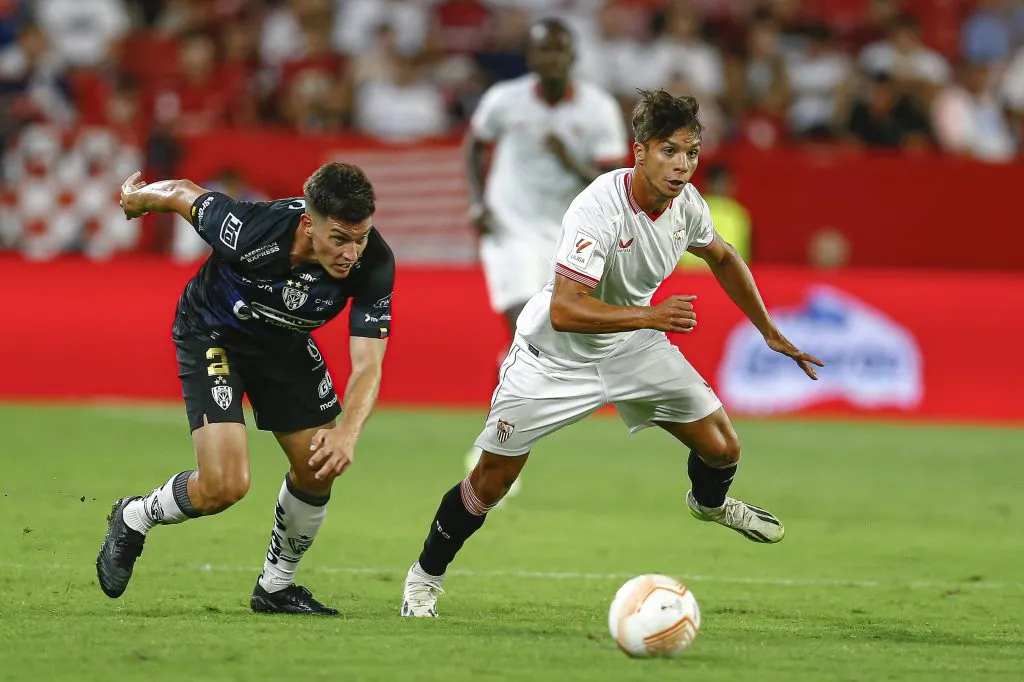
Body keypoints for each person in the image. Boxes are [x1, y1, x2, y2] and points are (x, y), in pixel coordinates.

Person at [400, 90, 824, 618]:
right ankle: (423, 579)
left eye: (691, 153)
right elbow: (565, 310)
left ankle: (709, 504)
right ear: (639, 151)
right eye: (669, 151)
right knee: (491, 482)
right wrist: (651, 315)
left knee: (722, 448)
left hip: (631, 347)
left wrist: (768, 330)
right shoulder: (597, 209)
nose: (682, 165)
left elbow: (723, 255)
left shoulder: (687, 206)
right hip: (553, 356)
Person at [96, 163, 394, 616]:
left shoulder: (374, 262)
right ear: (308, 225)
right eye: (340, 239)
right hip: (214, 336)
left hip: (283, 346)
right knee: (224, 486)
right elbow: (181, 193)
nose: (352, 253)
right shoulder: (250, 230)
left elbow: (368, 365)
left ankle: (276, 587)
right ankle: (135, 515)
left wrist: (347, 433)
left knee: (319, 465)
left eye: (361, 237)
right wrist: (137, 200)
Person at [466, 17, 628, 339]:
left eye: (559, 50)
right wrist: (477, 202)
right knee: (524, 324)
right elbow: (474, 145)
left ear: (573, 56)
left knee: (557, 331)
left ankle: (511, 371)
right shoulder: (504, 99)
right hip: (510, 223)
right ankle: (516, 374)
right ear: (530, 57)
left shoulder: (599, 109)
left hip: (569, 230)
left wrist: (569, 162)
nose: (552, 58)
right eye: (544, 50)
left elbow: (614, 182)